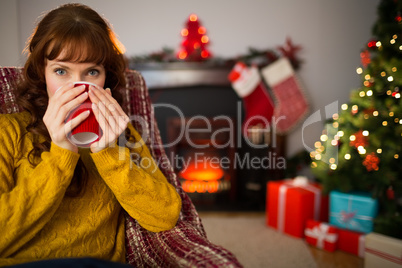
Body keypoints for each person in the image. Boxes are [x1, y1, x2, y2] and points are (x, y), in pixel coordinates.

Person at [0, 3, 182, 267]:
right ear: (43, 71)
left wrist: (107, 151)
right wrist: (61, 154)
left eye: (92, 72)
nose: (78, 86)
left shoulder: (121, 132)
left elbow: (164, 215)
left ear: (105, 77)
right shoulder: (9, 132)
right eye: (61, 71)